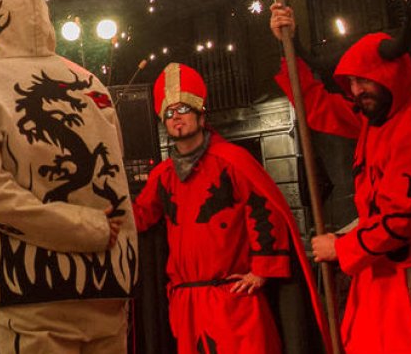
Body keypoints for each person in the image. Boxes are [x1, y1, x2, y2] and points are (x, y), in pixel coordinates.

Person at [0, 0, 136, 353]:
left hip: (35, 289)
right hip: (109, 282)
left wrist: (85, 227)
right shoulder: (90, 82)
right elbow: (117, 165)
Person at [270, 4, 411, 352]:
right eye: (352, 82)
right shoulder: (377, 114)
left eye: (365, 80)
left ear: (389, 75)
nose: (357, 90)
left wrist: (342, 246)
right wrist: (288, 48)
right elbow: (315, 108)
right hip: (390, 268)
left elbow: (405, 216)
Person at [132, 62, 327, 353]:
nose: (176, 118)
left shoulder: (232, 160)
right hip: (187, 304)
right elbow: (141, 216)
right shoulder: (163, 175)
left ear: (201, 113)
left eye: (183, 109)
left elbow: (264, 210)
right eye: (169, 113)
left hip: (234, 298)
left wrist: (261, 270)